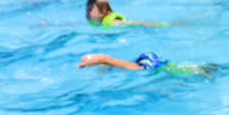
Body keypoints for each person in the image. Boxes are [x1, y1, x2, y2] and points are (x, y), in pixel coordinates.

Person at [78, 51, 212, 75]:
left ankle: (103, 60)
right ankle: (103, 60)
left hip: (148, 62)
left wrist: (103, 59)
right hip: (148, 60)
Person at [85, 0, 167, 28]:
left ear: (103, 11)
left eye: (90, 9)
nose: (87, 12)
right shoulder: (97, 23)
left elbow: (134, 23)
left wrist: (154, 24)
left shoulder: (113, 22)